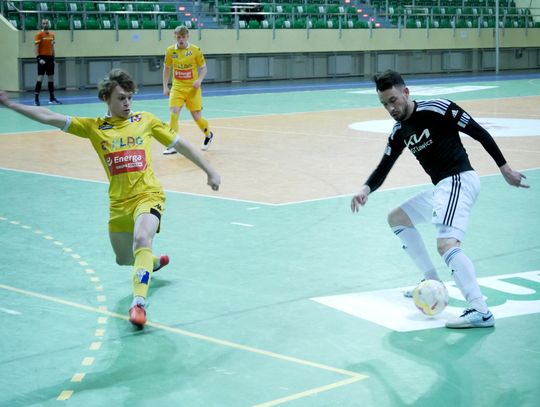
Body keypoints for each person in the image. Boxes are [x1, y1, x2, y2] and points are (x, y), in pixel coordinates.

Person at [0, 69, 221, 327]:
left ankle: (138, 304)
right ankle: (151, 263)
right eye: (121, 98)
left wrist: (210, 170)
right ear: (107, 98)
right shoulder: (94, 128)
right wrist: (12, 104)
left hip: (148, 194)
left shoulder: (145, 120)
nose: (127, 103)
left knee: (142, 238)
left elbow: (180, 144)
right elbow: (49, 116)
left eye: (129, 98)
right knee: (124, 259)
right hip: (118, 203)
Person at [350, 70, 528, 329]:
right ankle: (433, 282)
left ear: (405, 93)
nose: (390, 108)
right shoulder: (399, 130)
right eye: (384, 104)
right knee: (397, 218)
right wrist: (366, 189)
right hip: (442, 187)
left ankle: (480, 309)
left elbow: (479, 132)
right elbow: (385, 165)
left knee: (446, 244)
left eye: (393, 100)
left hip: (458, 179)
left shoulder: (438, 108)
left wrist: (505, 168)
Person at [162, 25, 214, 155]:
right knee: (174, 112)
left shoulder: (195, 50)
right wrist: (165, 86)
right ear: (175, 37)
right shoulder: (170, 51)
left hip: (192, 89)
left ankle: (208, 134)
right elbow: (167, 68)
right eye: (178, 37)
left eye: (183, 37)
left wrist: (199, 80)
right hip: (177, 88)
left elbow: (204, 68)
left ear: (187, 37)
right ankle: (173, 144)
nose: (181, 39)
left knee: (196, 116)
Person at [34, 18, 61, 106]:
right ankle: (36, 99)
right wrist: (39, 59)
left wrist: (54, 58)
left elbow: (52, 48)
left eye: (46, 23)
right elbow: (36, 48)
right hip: (42, 58)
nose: (45, 24)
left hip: (50, 58)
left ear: (48, 24)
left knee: (51, 78)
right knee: (40, 78)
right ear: (41, 24)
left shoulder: (52, 35)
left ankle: (52, 99)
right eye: (43, 23)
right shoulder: (39, 34)